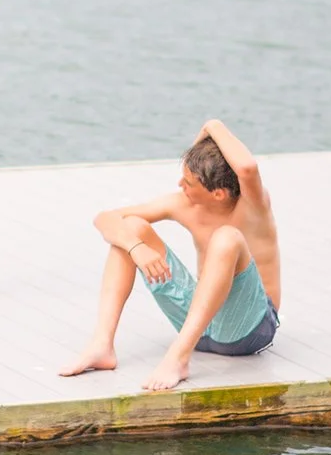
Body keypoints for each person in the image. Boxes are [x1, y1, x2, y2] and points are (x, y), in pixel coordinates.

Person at [57, 121, 280, 392]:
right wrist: (136, 247)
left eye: (188, 183)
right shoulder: (182, 203)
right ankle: (102, 345)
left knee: (227, 237)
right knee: (131, 229)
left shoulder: (253, 207)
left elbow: (247, 168)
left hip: (249, 331)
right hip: (200, 327)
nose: (179, 185)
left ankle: (178, 358)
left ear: (218, 194)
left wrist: (212, 125)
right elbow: (105, 218)